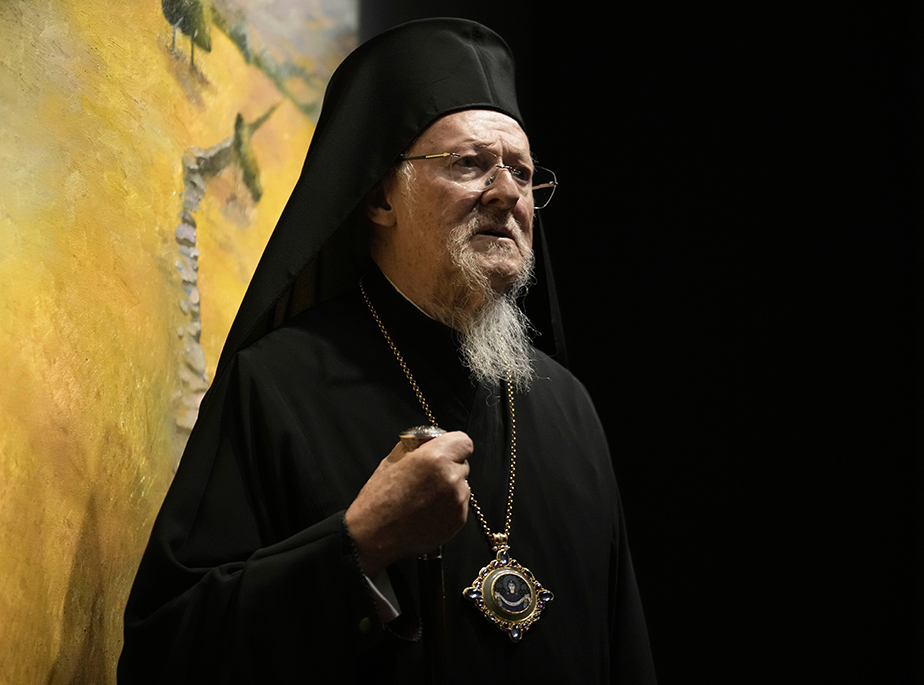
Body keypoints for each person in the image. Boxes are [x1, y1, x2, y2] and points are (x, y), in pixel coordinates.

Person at [119, 18, 656, 684]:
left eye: (522, 173)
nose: (507, 194)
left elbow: (625, 651)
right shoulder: (278, 384)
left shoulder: (569, 408)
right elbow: (168, 650)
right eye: (469, 164)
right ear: (379, 196)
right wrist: (358, 545)